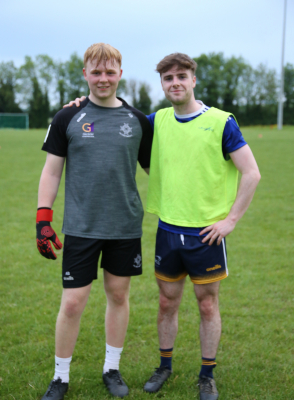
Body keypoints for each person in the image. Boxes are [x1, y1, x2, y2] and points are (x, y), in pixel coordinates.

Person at [67, 52, 261, 400]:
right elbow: (113, 108)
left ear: (193, 80)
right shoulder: (155, 122)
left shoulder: (221, 122)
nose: (175, 83)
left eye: (181, 77)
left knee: (207, 304)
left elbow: (252, 172)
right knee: (166, 303)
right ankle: (165, 366)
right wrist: (83, 100)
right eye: (168, 78)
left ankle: (207, 374)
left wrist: (230, 220)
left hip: (206, 233)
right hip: (168, 231)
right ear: (162, 84)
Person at [36, 43, 152, 400]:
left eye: (110, 71)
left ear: (120, 73)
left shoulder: (138, 120)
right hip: (82, 227)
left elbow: (156, 171)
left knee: (118, 295)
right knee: (72, 303)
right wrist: (43, 218)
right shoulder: (66, 117)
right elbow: (52, 171)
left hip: (124, 225)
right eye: (96, 72)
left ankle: (112, 369)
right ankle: (60, 377)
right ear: (85, 74)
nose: (103, 78)